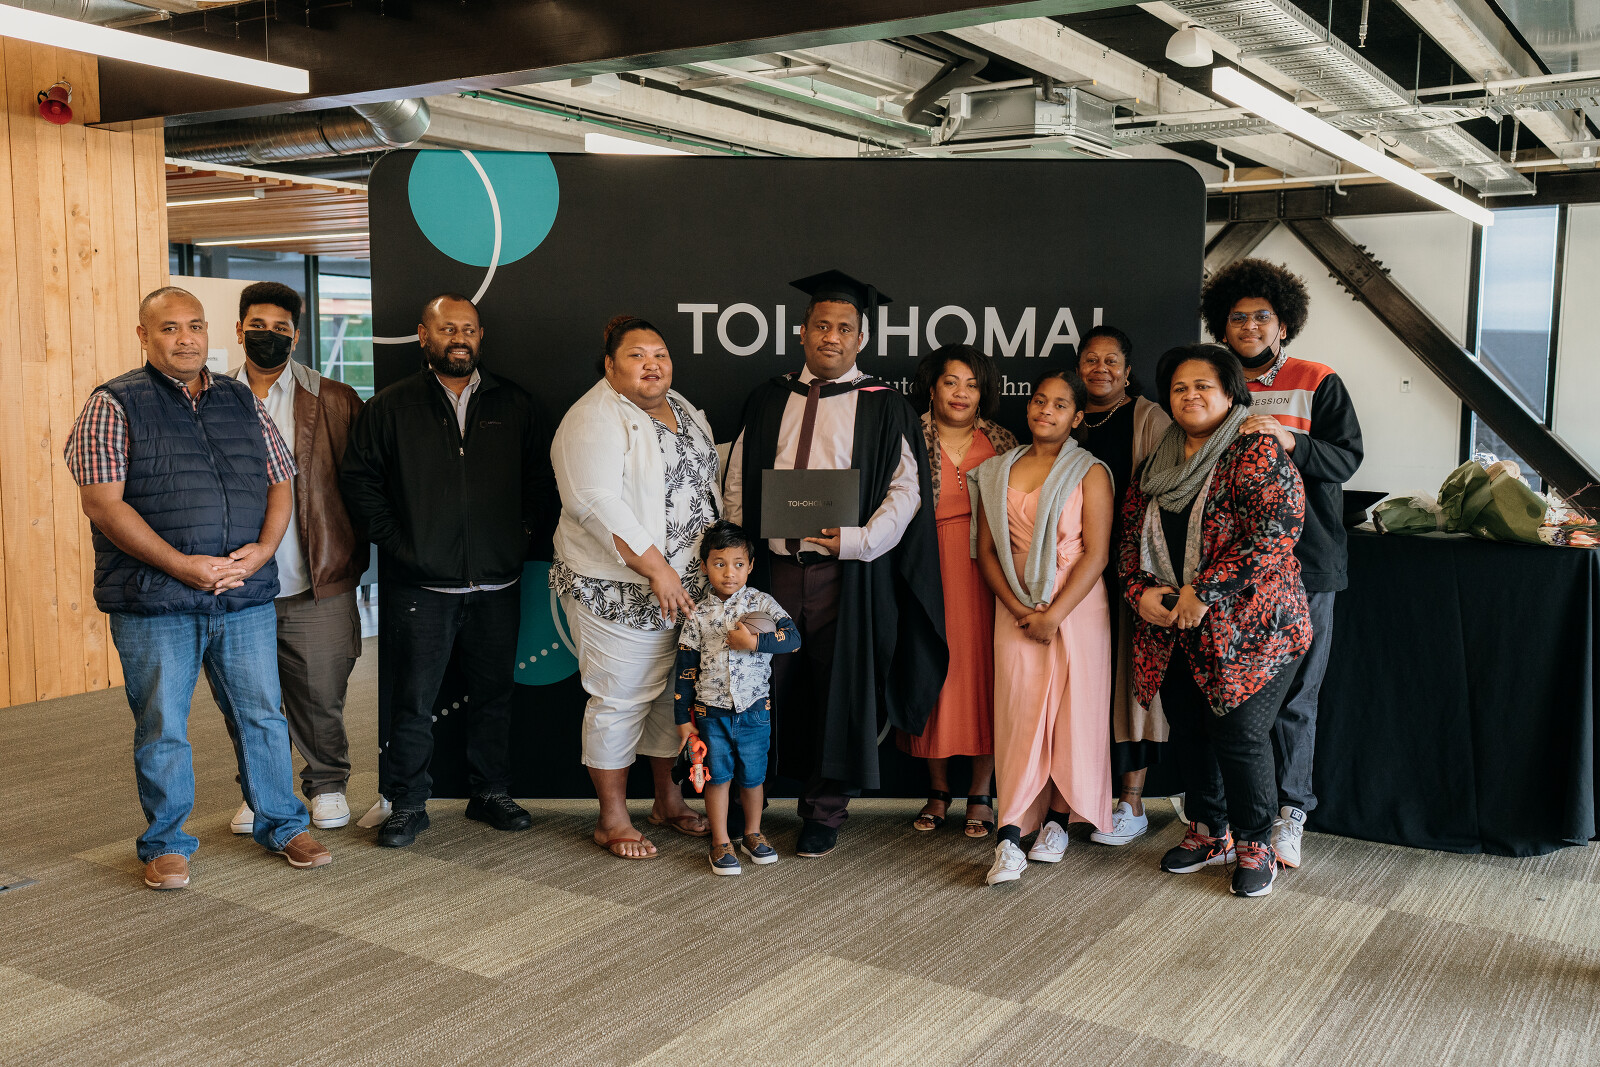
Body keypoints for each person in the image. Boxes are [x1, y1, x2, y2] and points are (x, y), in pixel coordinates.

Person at [64, 286, 331, 890]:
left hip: (241, 594)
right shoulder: (112, 403)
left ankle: (283, 824)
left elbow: (281, 482)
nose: (186, 339)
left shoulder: (241, 399)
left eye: (195, 326)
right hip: (154, 601)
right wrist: (182, 565)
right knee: (162, 724)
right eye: (169, 328)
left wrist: (263, 551)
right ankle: (166, 843)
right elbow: (103, 505)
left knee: (262, 715)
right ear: (144, 336)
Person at [724, 269, 946, 859]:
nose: (832, 336)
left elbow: (907, 493)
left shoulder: (884, 405)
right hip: (771, 575)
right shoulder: (768, 398)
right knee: (756, 688)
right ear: (802, 332)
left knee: (835, 691)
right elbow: (738, 480)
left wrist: (859, 541)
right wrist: (742, 550)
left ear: (860, 338)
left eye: (844, 328)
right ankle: (749, 805)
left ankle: (823, 812)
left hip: (843, 579)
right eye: (822, 325)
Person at [340, 292, 557, 848]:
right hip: (422, 586)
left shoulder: (515, 403)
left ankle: (490, 793)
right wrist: (401, 546)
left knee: (494, 696)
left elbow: (541, 480)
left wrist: (519, 537)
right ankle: (408, 804)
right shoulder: (391, 406)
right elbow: (360, 483)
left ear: (481, 337)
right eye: (447, 329)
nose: (459, 338)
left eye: (469, 329)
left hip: (498, 583)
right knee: (412, 701)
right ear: (423, 335)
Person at [1121, 343, 1311, 898]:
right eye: (1179, 388)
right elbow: (1129, 538)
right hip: (1175, 629)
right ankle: (1209, 830)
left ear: (1230, 393)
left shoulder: (1253, 449)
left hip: (1254, 627)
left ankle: (1255, 842)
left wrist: (1203, 592)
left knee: (1239, 734)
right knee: (1190, 729)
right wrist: (1139, 592)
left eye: (1203, 385)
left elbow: (1277, 530)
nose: (1190, 396)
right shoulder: (1156, 464)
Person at [1201, 260, 1362, 869]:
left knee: (1296, 696)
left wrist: (1294, 442)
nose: (1249, 326)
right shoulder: (1210, 382)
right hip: (1230, 570)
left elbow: (1347, 459)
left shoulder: (1317, 380)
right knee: (1227, 695)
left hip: (1308, 564)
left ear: (1283, 322)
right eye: (1237, 317)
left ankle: (1290, 812)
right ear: (1222, 326)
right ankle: (1220, 818)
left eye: (1261, 316)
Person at [549, 315, 719, 859]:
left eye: (660, 354)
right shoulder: (592, 417)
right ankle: (612, 818)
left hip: (686, 588)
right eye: (637, 355)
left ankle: (667, 801)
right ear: (610, 365)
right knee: (620, 700)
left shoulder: (682, 407)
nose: (652, 365)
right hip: (619, 588)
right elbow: (593, 502)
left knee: (671, 696)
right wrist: (658, 569)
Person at [220, 281, 366, 837]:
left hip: (314, 575)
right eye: (257, 326)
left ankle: (326, 784)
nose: (269, 336)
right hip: (237, 581)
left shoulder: (335, 399)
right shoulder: (210, 397)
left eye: (280, 329)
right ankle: (262, 791)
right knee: (248, 697)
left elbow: (362, 486)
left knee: (320, 692)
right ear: (239, 330)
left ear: (296, 336)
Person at [971, 370, 1114, 886]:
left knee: (1073, 713)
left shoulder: (1090, 471)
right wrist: (1017, 607)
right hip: (1015, 605)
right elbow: (987, 552)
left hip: (1076, 605)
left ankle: (1057, 821)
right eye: (1038, 400)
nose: (1045, 410)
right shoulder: (995, 470)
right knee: (1019, 713)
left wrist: (1054, 614)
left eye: (1059, 405)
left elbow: (1097, 554)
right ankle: (1010, 835)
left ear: (1076, 417)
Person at [896, 344, 1017, 838]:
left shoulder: (1003, 440)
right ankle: (938, 790)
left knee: (987, 677)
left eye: (972, 384)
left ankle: (981, 793)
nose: (961, 393)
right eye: (951, 382)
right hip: (927, 568)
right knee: (934, 671)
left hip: (989, 576)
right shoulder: (908, 436)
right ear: (932, 388)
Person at [1074, 325, 1171, 847]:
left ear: (1128, 371)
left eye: (1111, 360)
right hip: (1072, 573)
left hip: (1131, 571)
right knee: (1082, 684)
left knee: (1131, 684)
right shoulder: (1064, 415)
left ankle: (1131, 802)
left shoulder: (1149, 419)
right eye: (1091, 359)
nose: (1101, 369)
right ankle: (1077, 798)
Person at [673, 520, 801, 875]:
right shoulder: (697, 613)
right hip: (711, 713)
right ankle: (720, 840)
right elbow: (685, 668)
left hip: (755, 710)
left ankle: (753, 833)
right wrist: (683, 719)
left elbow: (793, 639)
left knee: (753, 777)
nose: (729, 572)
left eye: (738, 563)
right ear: (704, 566)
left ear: (751, 565)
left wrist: (755, 641)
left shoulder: (762, 602)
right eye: (719, 563)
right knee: (717, 777)